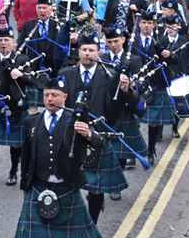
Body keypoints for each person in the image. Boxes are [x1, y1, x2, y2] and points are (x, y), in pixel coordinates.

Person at [9, 75, 105, 238]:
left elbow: (100, 143)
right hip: (38, 187)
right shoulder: (32, 121)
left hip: (65, 188)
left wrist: (89, 134)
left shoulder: (77, 120)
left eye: (55, 95)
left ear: (65, 97)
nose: (50, 99)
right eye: (46, 95)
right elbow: (26, 158)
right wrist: (24, 187)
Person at [59, 32, 132, 218]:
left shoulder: (109, 77)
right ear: (79, 52)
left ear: (99, 53)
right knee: (66, 181)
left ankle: (92, 221)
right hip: (69, 136)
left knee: (96, 188)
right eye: (84, 50)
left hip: (96, 137)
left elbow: (114, 111)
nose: (87, 54)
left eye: (91, 50)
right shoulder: (65, 74)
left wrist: (123, 91)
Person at [0, 29, 32, 187]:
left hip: (16, 106)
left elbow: (31, 81)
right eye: (1, 40)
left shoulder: (22, 59)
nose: (3, 43)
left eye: (7, 40)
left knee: (16, 143)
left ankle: (13, 171)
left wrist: (21, 75)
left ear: (13, 42)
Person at [100, 27, 147, 171]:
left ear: (123, 40)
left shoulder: (134, 59)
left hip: (126, 109)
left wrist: (133, 84)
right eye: (110, 42)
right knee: (108, 150)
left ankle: (117, 188)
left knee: (119, 153)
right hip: (108, 109)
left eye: (116, 41)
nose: (113, 45)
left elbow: (143, 83)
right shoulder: (102, 60)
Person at [134, 12, 174, 161]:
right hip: (137, 84)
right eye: (144, 22)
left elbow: (174, 61)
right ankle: (135, 152)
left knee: (153, 123)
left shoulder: (161, 41)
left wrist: (168, 55)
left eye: (149, 23)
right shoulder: (133, 41)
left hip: (156, 83)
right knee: (135, 120)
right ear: (139, 23)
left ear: (154, 25)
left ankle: (150, 151)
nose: (146, 26)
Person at [161, 14, 189, 138]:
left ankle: (175, 128)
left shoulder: (185, 41)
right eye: (169, 27)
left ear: (179, 26)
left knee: (177, 105)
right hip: (165, 77)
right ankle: (159, 132)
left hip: (180, 76)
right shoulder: (161, 41)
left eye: (174, 26)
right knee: (163, 104)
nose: (171, 29)